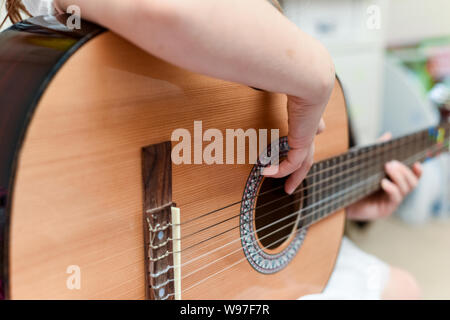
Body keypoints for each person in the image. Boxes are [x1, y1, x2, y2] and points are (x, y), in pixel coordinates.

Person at [1, 0, 423, 299]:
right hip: (80, 249)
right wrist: (316, 75)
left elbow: (218, 190)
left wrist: (340, 201)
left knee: (402, 288)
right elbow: (165, 9)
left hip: (199, 273)